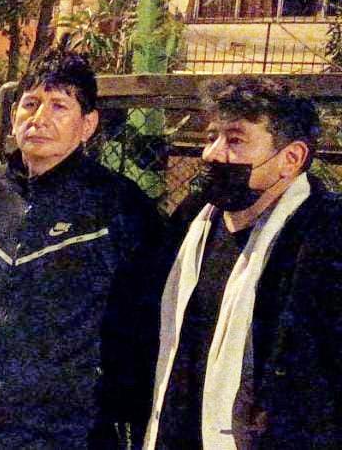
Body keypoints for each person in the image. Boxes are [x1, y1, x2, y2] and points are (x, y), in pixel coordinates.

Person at [0, 49, 161, 448]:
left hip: (66, 431)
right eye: (30, 103)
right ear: (13, 116)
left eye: (59, 106)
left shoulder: (119, 206)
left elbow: (143, 318)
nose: (39, 118)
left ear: (88, 124)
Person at [143, 77, 342, 449]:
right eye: (211, 137)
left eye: (235, 140)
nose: (213, 154)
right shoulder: (191, 220)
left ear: (291, 159)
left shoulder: (326, 238)